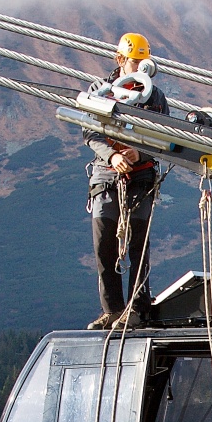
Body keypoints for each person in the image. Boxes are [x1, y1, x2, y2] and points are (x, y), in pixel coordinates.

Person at [83, 32, 169, 330]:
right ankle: (112, 309)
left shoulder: (155, 97)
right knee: (105, 242)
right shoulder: (100, 90)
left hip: (141, 177)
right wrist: (112, 156)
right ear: (120, 59)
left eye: (145, 62)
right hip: (107, 176)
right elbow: (90, 131)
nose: (141, 67)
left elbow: (163, 137)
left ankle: (137, 308)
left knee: (138, 245)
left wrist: (139, 150)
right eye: (136, 61)